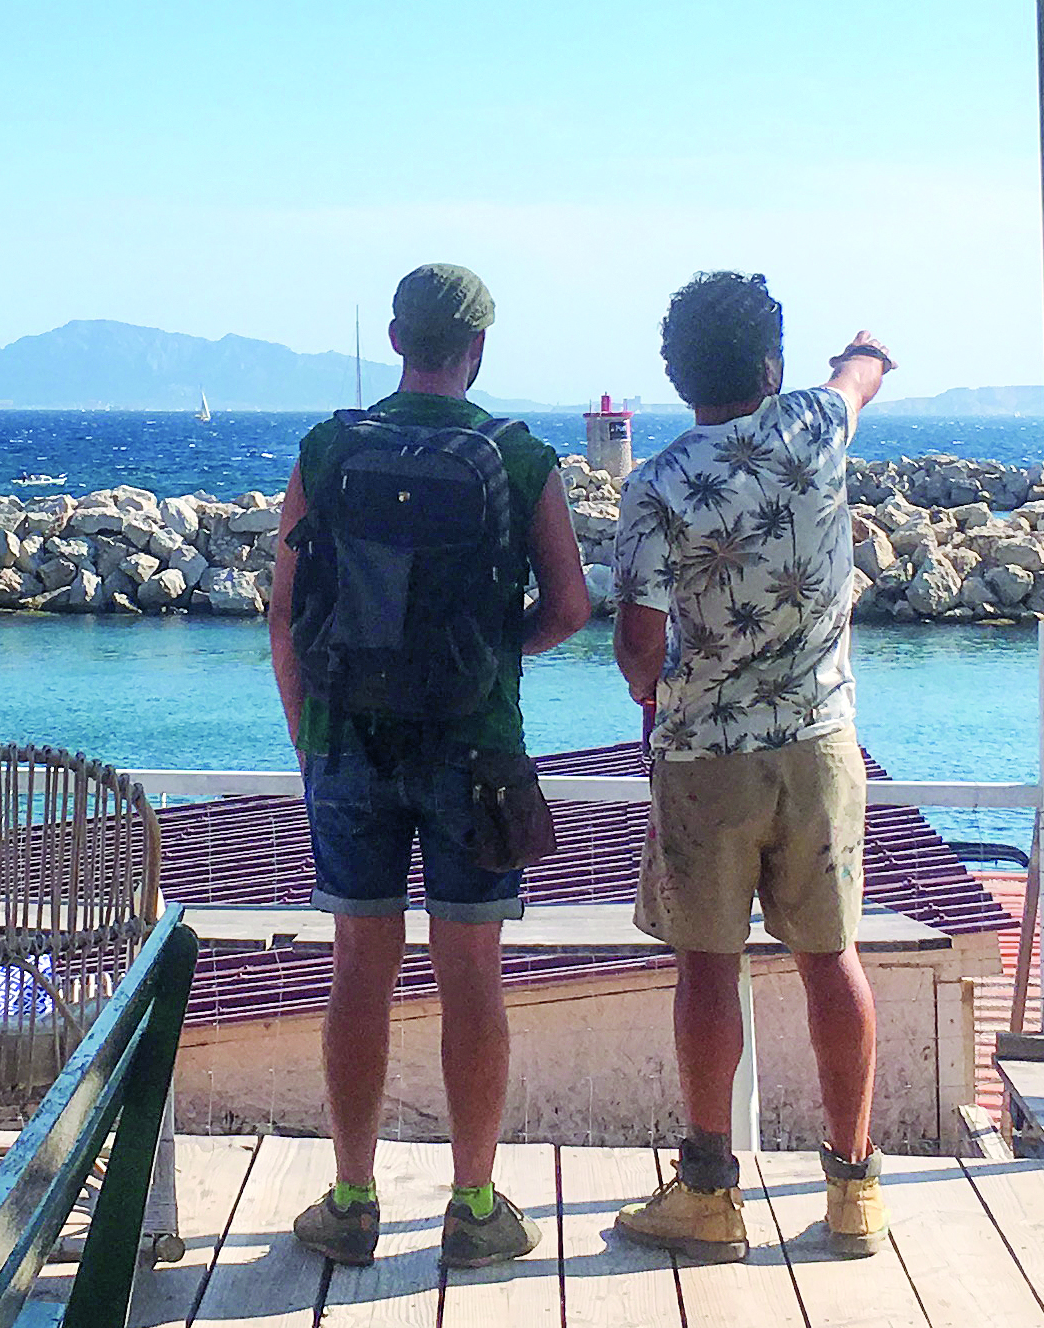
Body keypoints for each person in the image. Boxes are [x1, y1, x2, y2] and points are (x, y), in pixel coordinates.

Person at [267, 262, 591, 1269]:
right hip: (475, 748)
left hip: (348, 742)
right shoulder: (521, 456)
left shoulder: (330, 446)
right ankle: (474, 1206)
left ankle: (353, 1198)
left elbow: (285, 611)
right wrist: (498, 650)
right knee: (472, 977)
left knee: (359, 970)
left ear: (399, 340)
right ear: (478, 351)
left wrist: (306, 730)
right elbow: (574, 608)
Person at [602, 272, 896, 1260]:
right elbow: (861, 373)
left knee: (708, 968)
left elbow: (639, 643)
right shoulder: (817, 422)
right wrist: (861, 352)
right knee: (831, 959)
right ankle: (854, 1188)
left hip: (707, 758)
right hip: (820, 745)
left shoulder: (661, 482)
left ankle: (710, 1193)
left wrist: (657, 699)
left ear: (677, 373)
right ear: (771, 364)